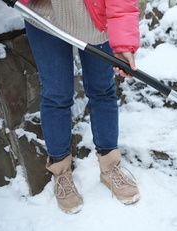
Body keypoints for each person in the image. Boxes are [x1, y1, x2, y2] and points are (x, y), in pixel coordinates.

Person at [19, 0, 141, 214]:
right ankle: (61, 174)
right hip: (44, 16)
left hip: (95, 20)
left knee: (102, 90)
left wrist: (123, 44)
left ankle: (110, 168)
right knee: (56, 95)